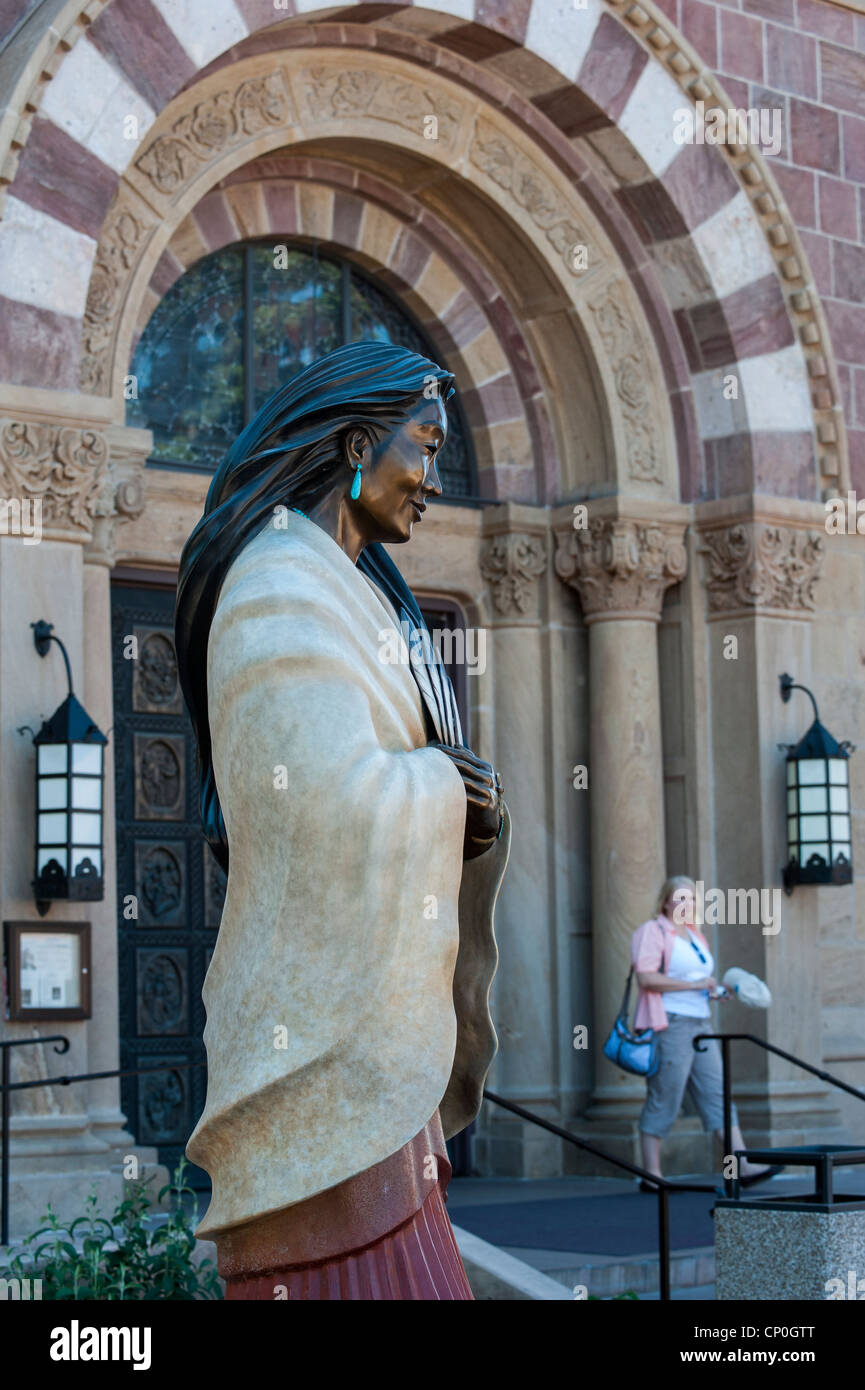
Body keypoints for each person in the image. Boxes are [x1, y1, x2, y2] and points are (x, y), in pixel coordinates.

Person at [174, 341, 511, 1298]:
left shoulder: (355, 591)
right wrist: (445, 786)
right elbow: (319, 806)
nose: (434, 480)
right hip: (317, 1055)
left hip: (371, 1060)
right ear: (360, 442)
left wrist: (462, 802)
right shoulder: (279, 580)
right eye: (425, 447)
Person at [632, 875, 782, 1190]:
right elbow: (646, 979)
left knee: (718, 1095)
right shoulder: (653, 931)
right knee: (666, 1096)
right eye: (680, 898)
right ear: (666, 901)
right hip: (671, 1024)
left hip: (702, 1024)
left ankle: (742, 1164)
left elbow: (700, 982)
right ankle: (651, 1174)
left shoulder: (695, 937)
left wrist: (714, 991)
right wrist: (696, 985)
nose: (687, 905)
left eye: (692, 900)